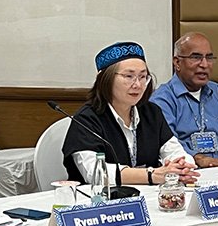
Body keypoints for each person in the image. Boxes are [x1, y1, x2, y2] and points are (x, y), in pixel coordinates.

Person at [62, 42, 199, 186]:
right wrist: (152, 175)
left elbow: (174, 150)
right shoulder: (86, 119)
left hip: (148, 197)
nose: (138, 85)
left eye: (142, 77)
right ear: (105, 80)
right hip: (99, 201)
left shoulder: (151, 112)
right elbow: (96, 173)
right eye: (129, 76)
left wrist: (182, 167)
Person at [151, 32, 218, 168]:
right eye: (196, 57)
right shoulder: (162, 100)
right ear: (177, 62)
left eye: (209, 58)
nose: (204, 64)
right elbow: (167, 145)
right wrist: (197, 158)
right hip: (191, 173)